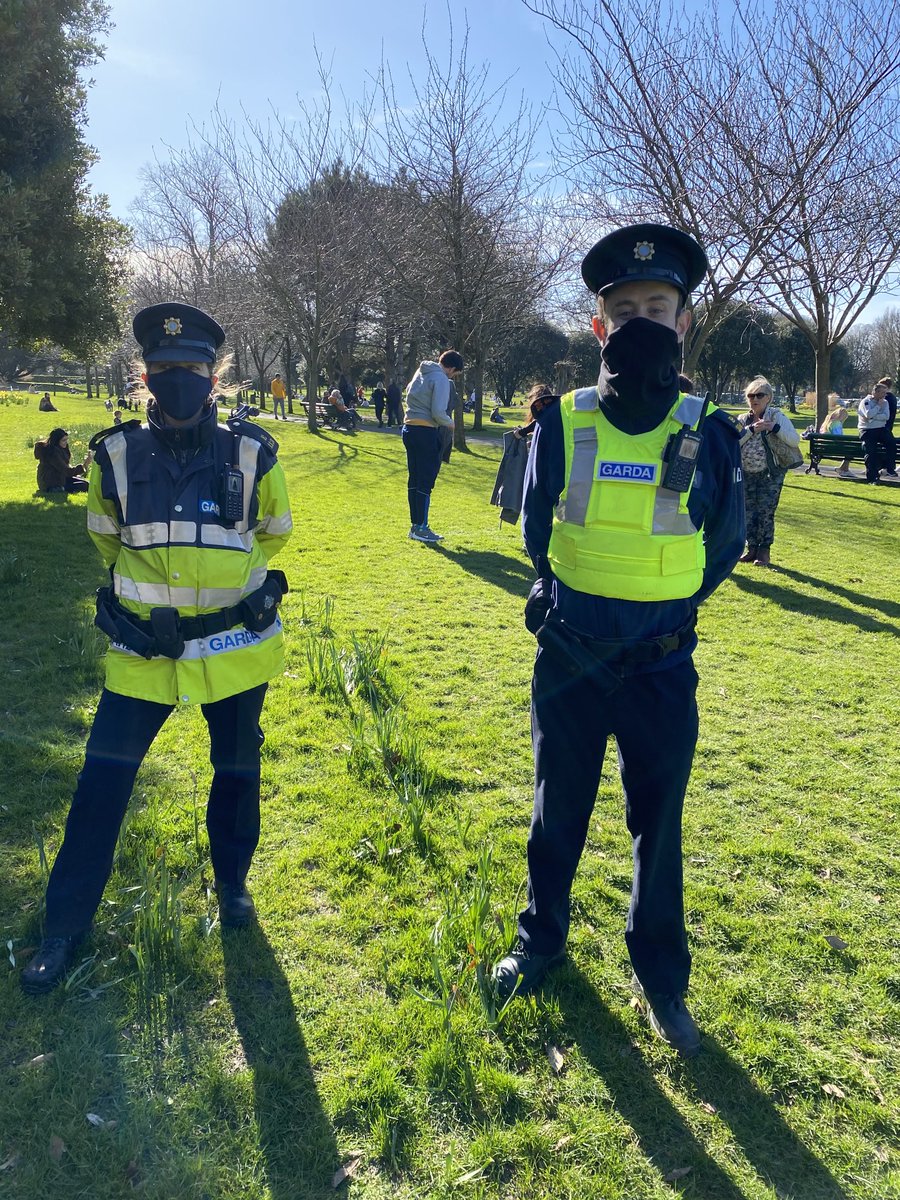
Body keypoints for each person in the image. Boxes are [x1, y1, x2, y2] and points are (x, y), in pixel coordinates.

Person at [492, 224, 745, 1057]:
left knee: (658, 822)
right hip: (569, 657)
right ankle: (541, 942)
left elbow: (726, 542)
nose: (640, 319)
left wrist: (665, 606)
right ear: (598, 324)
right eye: (624, 308)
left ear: (683, 322)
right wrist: (567, 594)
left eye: (658, 307)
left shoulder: (709, 428)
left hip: (661, 666)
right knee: (553, 810)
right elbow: (535, 524)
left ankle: (662, 981)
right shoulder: (562, 422)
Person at [20, 302, 293, 995]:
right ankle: (64, 924)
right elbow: (107, 541)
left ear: (214, 377)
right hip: (141, 655)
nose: (178, 379)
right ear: (146, 375)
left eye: (192, 369)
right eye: (166, 369)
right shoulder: (111, 456)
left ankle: (233, 886)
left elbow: (272, 532)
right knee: (100, 786)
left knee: (235, 773)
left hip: (233, 649)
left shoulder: (253, 453)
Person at [737, 377, 801, 565]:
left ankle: (764, 551)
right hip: (746, 473)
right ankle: (752, 548)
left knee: (765, 511)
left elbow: (794, 440)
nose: (754, 399)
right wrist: (751, 430)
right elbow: (733, 441)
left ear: (768, 398)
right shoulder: (743, 419)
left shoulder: (777, 416)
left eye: (759, 395)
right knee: (748, 511)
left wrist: (775, 428)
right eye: (750, 395)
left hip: (770, 473)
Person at [401, 350, 463, 543]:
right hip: (426, 431)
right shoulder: (442, 379)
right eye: (455, 373)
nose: (453, 377)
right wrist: (449, 423)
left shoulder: (420, 372)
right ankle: (422, 527)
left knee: (415, 478)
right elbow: (438, 411)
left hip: (408, 428)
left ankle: (415, 524)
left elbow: (408, 394)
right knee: (426, 481)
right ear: (452, 368)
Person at [857, 382, 897, 483]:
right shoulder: (865, 402)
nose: (885, 395)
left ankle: (889, 468)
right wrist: (878, 407)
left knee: (891, 443)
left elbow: (886, 417)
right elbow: (868, 415)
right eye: (883, 392)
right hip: (867, 430)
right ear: (875, 392)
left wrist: (874, 417)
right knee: (871, 452)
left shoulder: (886, 402)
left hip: (880, 429)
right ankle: (872, 477)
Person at [33, 427, 90, 493]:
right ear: (57, 441)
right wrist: (85, 465)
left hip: (61, 478)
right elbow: (66, 471)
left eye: (66, 440)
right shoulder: (52, 453)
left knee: (86, 484)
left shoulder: (61, 448)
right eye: (63, 440)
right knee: (83, 486)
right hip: (51, 484)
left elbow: (66, 469)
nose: (66, 442)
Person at [818, 402, 853, 478]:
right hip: (833, 447)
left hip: (824, 447)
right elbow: (838, 437)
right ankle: (844, 469)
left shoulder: (827, 422)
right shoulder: (836, 423)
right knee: (851, 450)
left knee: (849, 449)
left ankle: (843, 469)